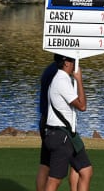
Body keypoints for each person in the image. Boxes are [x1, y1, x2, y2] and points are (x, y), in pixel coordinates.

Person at [41, 54, 92, 191]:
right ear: (66, 63)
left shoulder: (60, 78)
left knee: (85, 170)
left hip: (67, 135)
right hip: (61, 137)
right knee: (54, 180)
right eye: (73, 60)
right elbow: (82, 106)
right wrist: (79, 80)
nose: (75, 63)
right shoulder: (61, 81)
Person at [36, 55, 79, 191]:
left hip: (45, 120)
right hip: (58, 124)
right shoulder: (60, 75)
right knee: (76, 163)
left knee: (45, 164)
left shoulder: (49, 70)